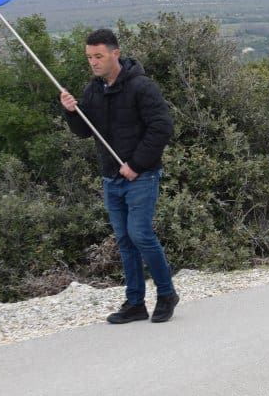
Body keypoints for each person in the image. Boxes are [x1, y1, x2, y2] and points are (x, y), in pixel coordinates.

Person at [59, 28, 179, 324]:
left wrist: (136, 164)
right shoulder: (93, 89)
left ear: (116, 53)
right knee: (125, 240)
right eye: (89, 57)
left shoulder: (141, 86)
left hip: (141, 176)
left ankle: (166, 294)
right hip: (111, 177)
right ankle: (135, 303)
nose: (94, 62)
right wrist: (72, 112)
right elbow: (86, 132)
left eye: (98, 56)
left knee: (140, 234)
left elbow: (162, 128)